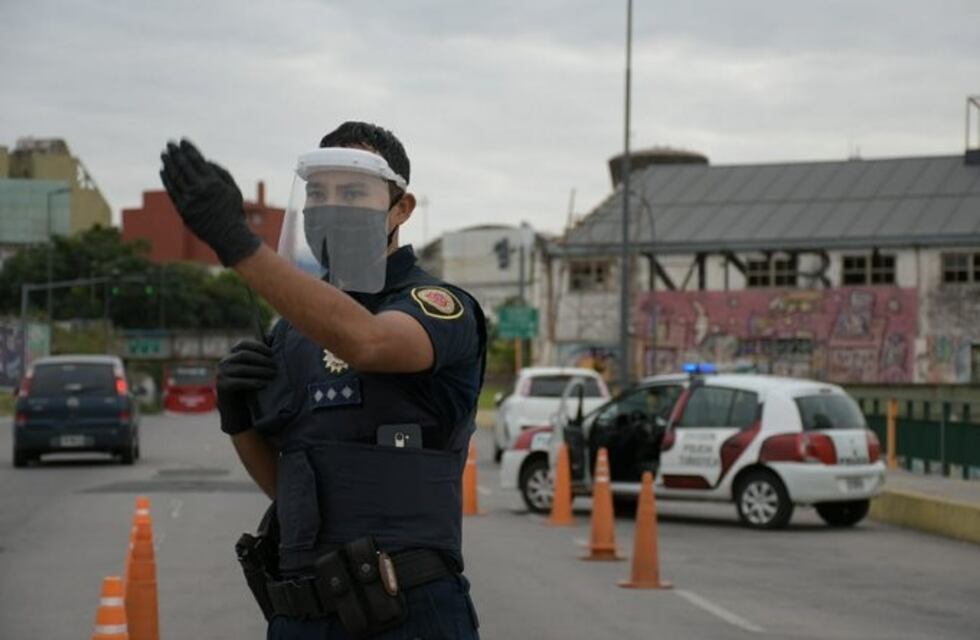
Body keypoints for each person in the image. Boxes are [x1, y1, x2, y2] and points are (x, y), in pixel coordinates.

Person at [159, 122, 486, 639]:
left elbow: (368, 342)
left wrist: (237, 243)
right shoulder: (290, 333)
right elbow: (286, 486)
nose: (330, 206)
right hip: (301, 614)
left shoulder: (437, 308)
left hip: (407, 613)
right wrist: (239, 420)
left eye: (352, 191)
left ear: (400, 208)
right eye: (317, 192)